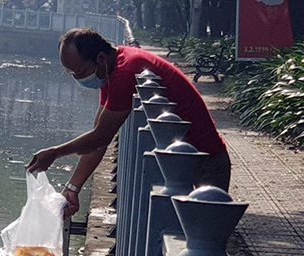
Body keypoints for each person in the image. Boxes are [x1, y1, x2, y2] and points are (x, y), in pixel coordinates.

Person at [25, 28, 231, 218]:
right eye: (72, 73)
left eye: (80, 72)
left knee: (200, 236)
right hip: (180, 160)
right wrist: (73, 188)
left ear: (100, 57)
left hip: (204, 160)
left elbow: (101, 137)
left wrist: (54, 152)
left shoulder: (125, 73)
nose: (78, 78)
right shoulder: (112, 68)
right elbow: (98, 135)